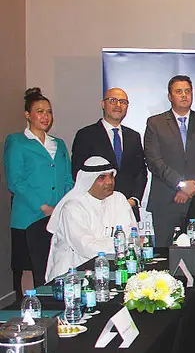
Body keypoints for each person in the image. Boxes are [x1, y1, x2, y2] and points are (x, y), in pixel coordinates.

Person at [4, 88, 73, 298]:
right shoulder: (16, 142)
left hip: (57, 218)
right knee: (27, 269)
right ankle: (26, 315)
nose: (45, 116)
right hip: (29, 217)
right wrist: (44, 207)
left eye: (49, 112)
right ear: (28, 115)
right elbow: (16, 182)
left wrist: (63, 207)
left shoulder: (58, 144)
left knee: (51, 268)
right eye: (40, 111)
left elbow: (67, 180)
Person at [144, 75, 195, 246]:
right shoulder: (155, 123)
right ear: (170, 96)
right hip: (166, 200)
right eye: (179, 92)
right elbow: (154, 161)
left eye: (188, 91)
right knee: (166, 254)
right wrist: (181, 184)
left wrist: (189, 188)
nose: (184, 95)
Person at [45, 157, 136, 281]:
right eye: (101, 178)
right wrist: (120, 244)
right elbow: (88, 249)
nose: (109, 182)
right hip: (74, 276)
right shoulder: (72, 207)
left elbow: (133, 237)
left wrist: (116, 244)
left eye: (111, 176)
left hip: (112, 269)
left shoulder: (119, 199)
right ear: (88, 180)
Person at [70, 87, 147, 219]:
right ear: (102, 104)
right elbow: (78, 172)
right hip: (96, 210)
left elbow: (140, 172)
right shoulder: (86, 135)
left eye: (123, 102)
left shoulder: (133, 136)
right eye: (113, 100)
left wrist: (133, 200)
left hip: (127, 208)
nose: (118, 105)